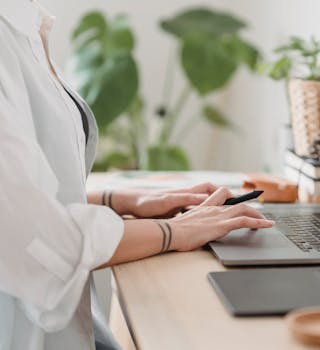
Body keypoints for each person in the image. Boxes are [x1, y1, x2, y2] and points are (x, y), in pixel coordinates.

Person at [0, 1, 274, 349]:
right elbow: (41, 246)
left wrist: (120, 201)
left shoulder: (24, 20)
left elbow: (20, 198)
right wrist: (175, 231)